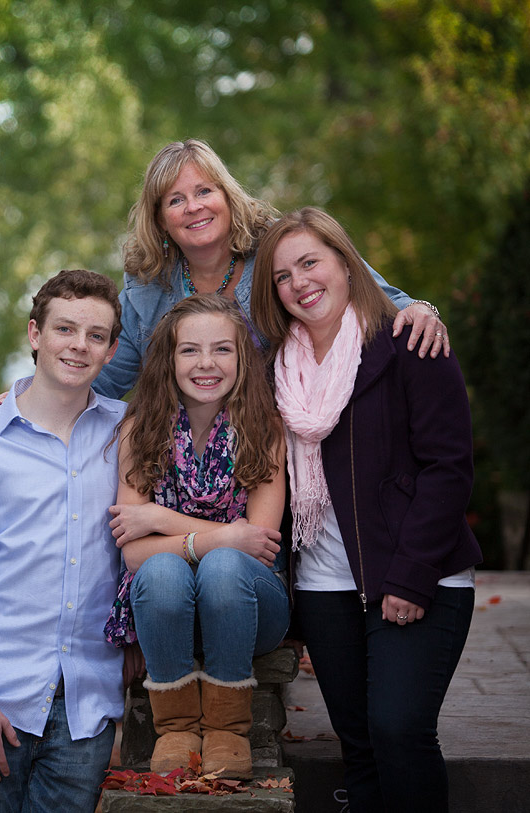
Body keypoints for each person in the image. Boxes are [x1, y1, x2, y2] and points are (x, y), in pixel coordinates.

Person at [250, 207, 481, 812]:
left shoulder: (408, 341)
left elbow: (449, 468)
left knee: (399, 731)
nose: (299, 282)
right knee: (360, 746)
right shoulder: (279, 370)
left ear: (347, 264)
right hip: (326, 587)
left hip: (416, 575)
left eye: (310, 262)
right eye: (282, 276)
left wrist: (410, 576)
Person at [0, 138, 448, 418]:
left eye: (204, 190)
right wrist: (25, 400)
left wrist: (421, 310)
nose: (193, 206)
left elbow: (367, 289)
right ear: (159, 218)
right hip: (187, 460)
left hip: (281, 442)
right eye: (175, 200)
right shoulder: (146, 287)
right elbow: (106, 376)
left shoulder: (274, 248)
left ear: (227, 195)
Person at [0, 269, 137, 812]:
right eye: (64, 329)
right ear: (35, 334)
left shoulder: (130, 434)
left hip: (87, 708)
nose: (78, 345)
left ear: (112, 350)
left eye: (96, 336)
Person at [103, 293, 288, 779]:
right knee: (163, 570)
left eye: (222, 350)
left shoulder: (264, 427)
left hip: (248, 606)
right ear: (168, 360)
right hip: (165, 609)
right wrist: (221, 536)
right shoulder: (139, 428)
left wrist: (159, 518)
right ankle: (177, 729)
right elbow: (135, 555)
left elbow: (260, 546)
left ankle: (228, 731)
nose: (206, 363)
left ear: (243, 358)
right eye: (190, 350)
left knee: (226, 567)